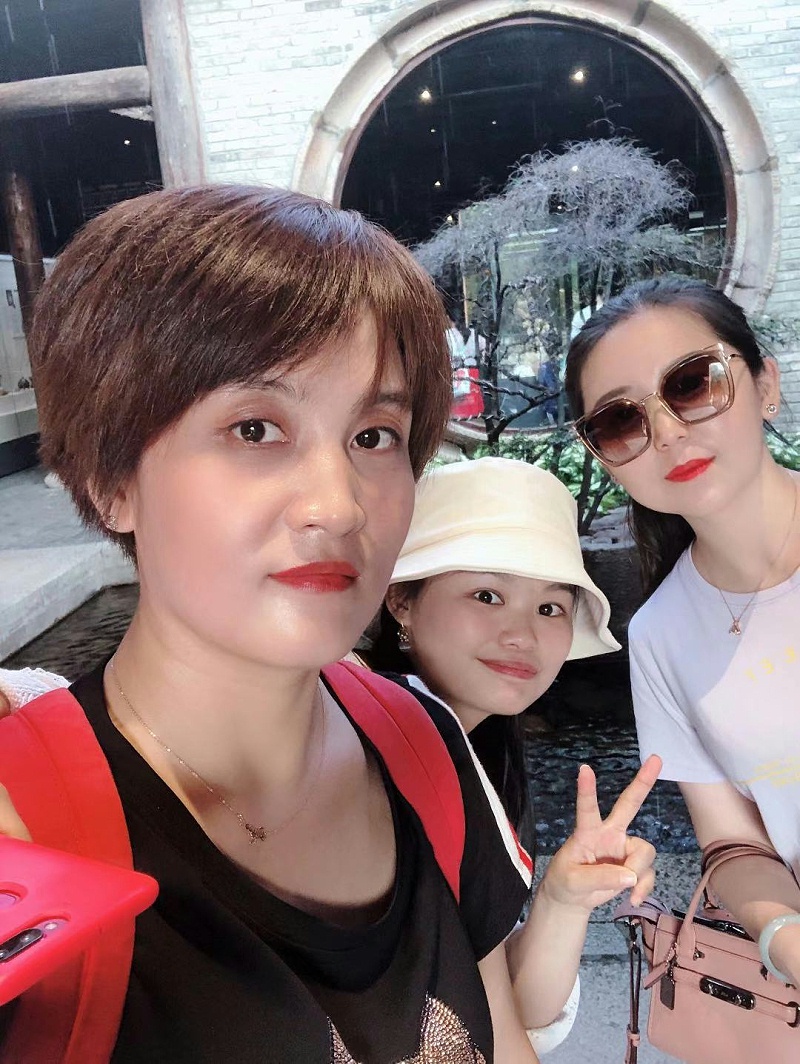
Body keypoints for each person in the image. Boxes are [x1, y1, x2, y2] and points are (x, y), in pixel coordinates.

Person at [0, 183, 555, 1064]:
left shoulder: (422, 745)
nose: (339, 505)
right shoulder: (20, 839)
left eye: (374, 436)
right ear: (111, 481)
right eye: (256, 428)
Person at [366, 456, 660, 1053]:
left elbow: (514, 1008)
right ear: (400, 600)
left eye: (550, 607)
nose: (522, 635)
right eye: (487, 595)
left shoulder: (476, 751)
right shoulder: (377, 744)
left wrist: (562, 899)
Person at [565, 275, 800, 988]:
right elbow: (732, 841)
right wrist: (788, 942)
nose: (666, 432)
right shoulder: (661, 633)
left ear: (765, 384)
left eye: (693, 384)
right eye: (620, 421)